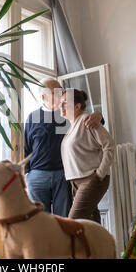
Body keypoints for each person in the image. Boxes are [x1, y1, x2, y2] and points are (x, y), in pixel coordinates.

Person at [24, 78, 104, 217]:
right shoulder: (32, 117)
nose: (62, 94)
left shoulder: (68, 113)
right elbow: (26, 148)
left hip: (64, 174)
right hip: (37, 176)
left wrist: (98, 115)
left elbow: (92, 120)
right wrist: (26, 174)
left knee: (64, 219)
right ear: (44, 97)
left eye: (62, 90)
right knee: (40, 220)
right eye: (57, 92)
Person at [60, 89, 115, 223]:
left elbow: (110, 145)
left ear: (77, 106)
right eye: (60, 103)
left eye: (64, 103)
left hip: (91, 179)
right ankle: (102, 244)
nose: (60, 106)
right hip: (76, 182)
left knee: (72, 222)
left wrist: (100, 174)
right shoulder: (71, 126)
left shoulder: (87, 120)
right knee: (91, 223)